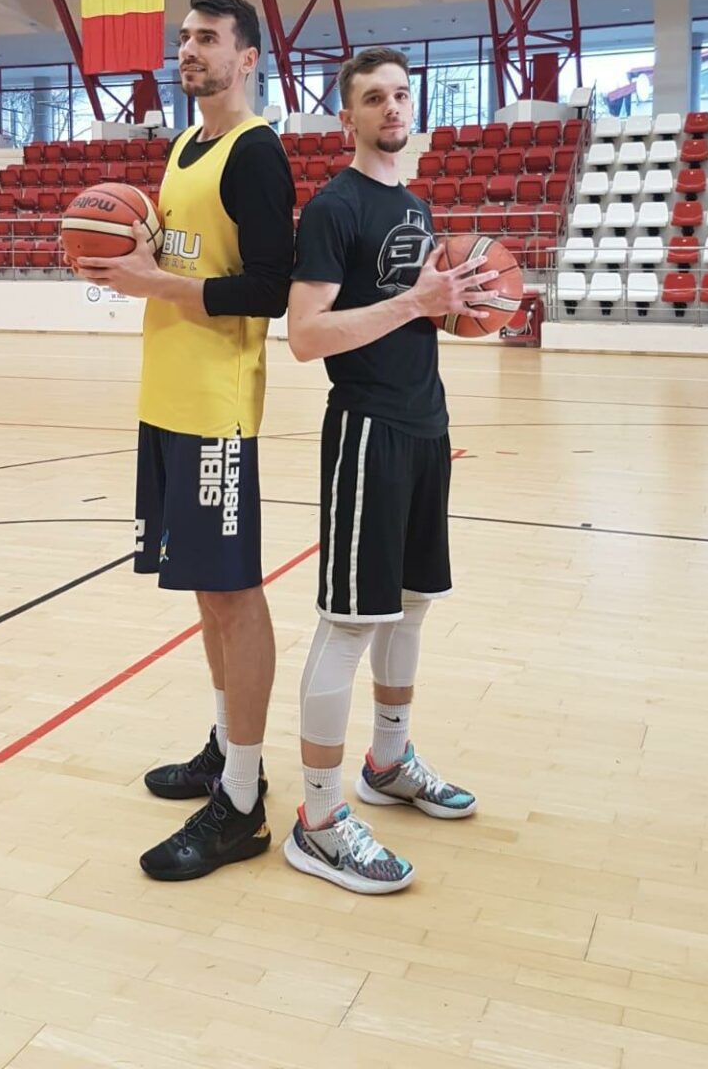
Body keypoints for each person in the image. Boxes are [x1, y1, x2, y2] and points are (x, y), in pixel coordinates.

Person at [74, 0, 294, 881]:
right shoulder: (183, 147)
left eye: (207, 38)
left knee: (235, 595)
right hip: (165, 396)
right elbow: (184, 261)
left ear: (247, 58)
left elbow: (271, 289)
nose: (188, 50)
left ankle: (241, 802)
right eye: (184, 38)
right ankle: (224, 750)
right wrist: (124, 257)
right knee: (206, 593)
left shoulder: (256, 151)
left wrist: (153, 284)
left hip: (216, 406)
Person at [284, 46, 495, 893]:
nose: (393, 108)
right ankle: (318, 821)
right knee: (349, 623)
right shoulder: (332, 209)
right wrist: (416, 300)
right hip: (367, 430)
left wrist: (460, 305)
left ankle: (389, 762)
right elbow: (305, 336)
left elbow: (407, 313)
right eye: (374, 98)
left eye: (402, 94)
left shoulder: (412, 203)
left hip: (425, 425)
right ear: (348, 117)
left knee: (412, 605)